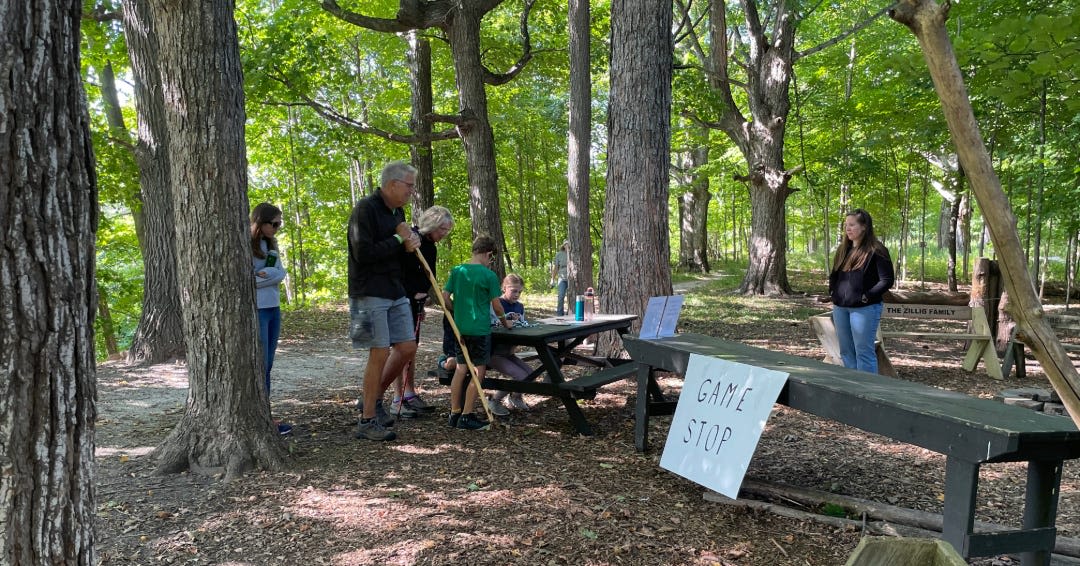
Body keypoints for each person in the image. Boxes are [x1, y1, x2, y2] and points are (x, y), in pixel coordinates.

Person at [348, 161, 422, 441]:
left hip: (395, 289)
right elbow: (362, 252)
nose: (411, 192)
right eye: (409, 186)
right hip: (368, 291)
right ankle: (367, 420)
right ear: (392, 184)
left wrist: (409, 245)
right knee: (378, 352)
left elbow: (399, 249)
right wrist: (397, 239)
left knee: (406, 347)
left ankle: (373, 399)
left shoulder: (398, 211)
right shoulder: (365, 209)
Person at [388, 205, 454, 417]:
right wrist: (410, 295)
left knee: (411, 349)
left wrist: (422, 298)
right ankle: (397, 398)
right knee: (400, 349)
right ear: (433, 224)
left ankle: (409, 392)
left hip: (415, 303)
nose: (444, 234)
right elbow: (397, 273)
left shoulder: (430, 246)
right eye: (442, 228)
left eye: (447, 230)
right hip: (400, 301)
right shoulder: (412, 239)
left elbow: (427, 276)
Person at [442, 236, 513, 430]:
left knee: (461, 369)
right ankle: (467, 416)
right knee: (478, 371)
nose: (491, 262)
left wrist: (456, 311)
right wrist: (505, 323)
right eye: (491, 258)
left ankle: (454, 412)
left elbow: (444, 297)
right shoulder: (488, 275)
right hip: (479, 330)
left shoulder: (458, 271)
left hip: (460, 328)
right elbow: (497, 306)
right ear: (488, 253)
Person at [828, 209, 895, 374]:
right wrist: (833, 293)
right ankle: (852, 389)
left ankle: (866, 392)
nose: (848, 229)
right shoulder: (844, 250)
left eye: (852, 225)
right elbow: (835, 275)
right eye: (846, 225)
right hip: (841, 308)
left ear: (864, 227)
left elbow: (886, 280)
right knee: (846, 351)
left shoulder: (876, 250)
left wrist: (866, 297)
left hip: (865, 309)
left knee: (863, 353)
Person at [251, 202, 292, 435]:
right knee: (260, 363)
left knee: (268, 365)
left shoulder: (271, 245)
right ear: (261, 222)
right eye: (274, 224)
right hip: (258, 310)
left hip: (273, 308)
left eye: (279, 224)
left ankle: (265, 414)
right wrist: (267, 276)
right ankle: (261, 416)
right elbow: (249, 280)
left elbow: (280, 273)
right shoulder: (246, 245)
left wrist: (268, 275)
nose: (277, 228)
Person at [488, 274, 534, 412]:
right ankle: (494, 400)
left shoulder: (520, 307)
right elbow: (493, 325)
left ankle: (515, 397)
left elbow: (521, 325)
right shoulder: (496, 304)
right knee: (521, 376)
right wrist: (507, 320)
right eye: (513, 290)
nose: (517, 294)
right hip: (493, 353)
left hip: (508, 352)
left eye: (520, 291)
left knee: (531, 374)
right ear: (504, 288)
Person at [550, 240, 569, 316]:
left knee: (571, 297)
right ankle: (559, 314)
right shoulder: (559, 254)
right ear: (563, 246)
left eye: (568, 244)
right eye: (566, 244)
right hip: (562, 278)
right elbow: (556, 268)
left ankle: (570, 313)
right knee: (561, 296)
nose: (567, 246)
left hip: (572, 279)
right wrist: (552, 279)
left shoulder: (574, 253)